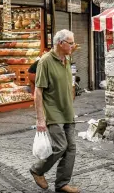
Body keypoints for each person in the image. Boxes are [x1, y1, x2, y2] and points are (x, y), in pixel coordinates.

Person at [30, 29, 80, 193]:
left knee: (71, 148)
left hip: (67, 111)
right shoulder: (45, 61)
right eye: (70, 43)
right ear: (60, 43)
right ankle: (37, 170)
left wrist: (72, 48)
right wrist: (40, 120)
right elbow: (38, 92)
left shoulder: (67, 58)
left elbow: (72, 50)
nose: (73, 46)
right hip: (52, 112)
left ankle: (62, 184)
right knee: (60, 146)